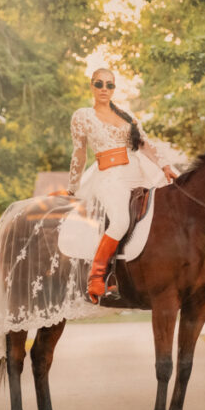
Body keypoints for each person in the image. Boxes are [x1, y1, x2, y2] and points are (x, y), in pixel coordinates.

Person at [67, 68, 177, 303]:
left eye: (109, 85)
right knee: (120, 221)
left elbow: (145, 145)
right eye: (99, 84)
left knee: (157, 215)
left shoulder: (126, 116)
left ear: (114, 88)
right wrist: (72, 188)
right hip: (108, 177)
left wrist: (165, 166)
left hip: (138, 173)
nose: (104, 89)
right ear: (91, 86)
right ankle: (96, 277)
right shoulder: (83, 116)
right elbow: (79, 154)